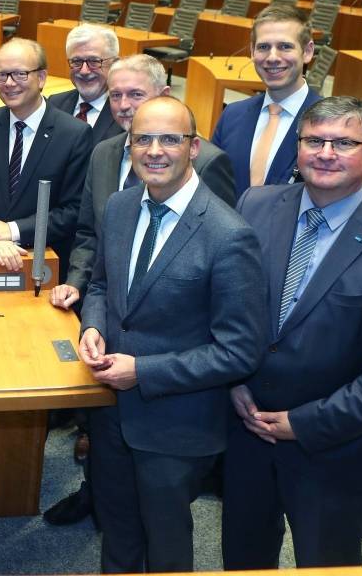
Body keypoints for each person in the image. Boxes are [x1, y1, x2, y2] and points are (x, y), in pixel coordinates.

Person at [223, 96, 362, 569]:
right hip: (247, 428)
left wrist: (307, 423)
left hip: (339, 448)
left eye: (344, 142)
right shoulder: (255, 205)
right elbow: (226, 302)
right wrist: (232, 379)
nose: (326, 152)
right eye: (314, 140)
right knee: (243, 556)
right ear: (298, 148)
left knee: (326, 563)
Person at [43, 55, 236, 527]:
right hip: (110, 331)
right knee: (116, 493)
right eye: (117, 95)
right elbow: (91, 235)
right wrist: (82, 294)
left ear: (165, 97)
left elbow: (219, 270)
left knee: (159, 521)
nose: (125, 105)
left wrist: (151, 365)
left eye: (137, 94)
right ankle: (96, 491)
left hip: (170, 362)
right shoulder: (105, 151)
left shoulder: (208, 163)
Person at [79, 96, 265, 573]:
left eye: (169, 139)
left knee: (166, 544)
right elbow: (100, 284)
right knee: (116, 529)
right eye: (143, 138)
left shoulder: (228, 235)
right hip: (110, 413)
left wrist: (142, 372)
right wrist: (94, 324)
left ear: (194, 147)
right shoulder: (120, 207)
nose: (154, 150)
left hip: (176, 424)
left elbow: (240, 352)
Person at [0, 38, 91, 275]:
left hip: (43, 263)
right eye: (2, 75)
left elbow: (74, 209)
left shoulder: (74, 133)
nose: (9, 83)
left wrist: (12, 230)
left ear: (41, 78)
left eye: (19, 74)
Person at [211, 4, 321, 200]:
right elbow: (212, 184)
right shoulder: (231, 115)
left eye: (284, 46)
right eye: (263, 47)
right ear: (253, 51)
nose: (272, 57)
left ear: (307, 51)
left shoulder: (330, 123)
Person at [47, 24, 124, 147]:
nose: (84, 71)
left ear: (114, 65)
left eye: (94, 61)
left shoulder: (126, 112)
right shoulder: (54, 104)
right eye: (76, 61)